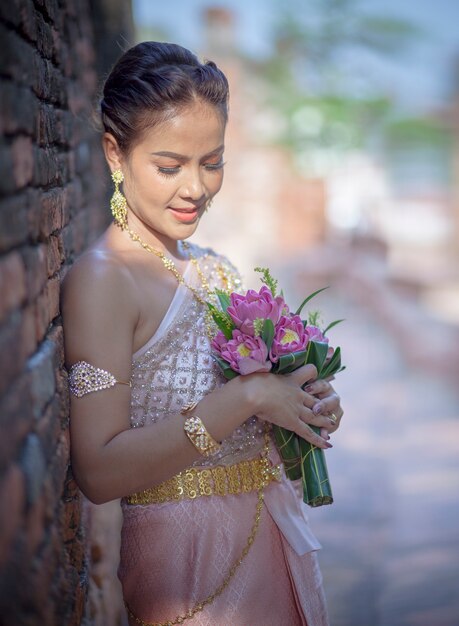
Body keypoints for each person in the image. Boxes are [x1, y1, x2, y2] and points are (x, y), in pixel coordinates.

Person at [62, 41, 344, 626]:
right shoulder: (102, 281)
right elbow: (97, 470)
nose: (195, 188)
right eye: (169, 167)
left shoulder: (215, 267)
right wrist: (245, 396)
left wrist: (298, 408)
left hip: (270, 535)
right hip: (184, 569)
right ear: (115, 153)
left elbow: (254, 422)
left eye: (211, 162)